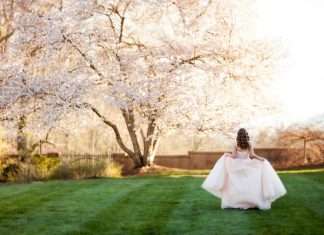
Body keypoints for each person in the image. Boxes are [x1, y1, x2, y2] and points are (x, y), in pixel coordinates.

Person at [201, 128, 287, 210]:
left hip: (236, 166)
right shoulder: (249, 144)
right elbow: (252, 155)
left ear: (238, 136)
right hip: (248, 165)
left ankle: (234, 202)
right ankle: (251, 202)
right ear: (246, 135)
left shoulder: (236, 144)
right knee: (250, 184)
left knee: (235, 184)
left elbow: (234, 156)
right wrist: (261, 159)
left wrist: (226, 154)